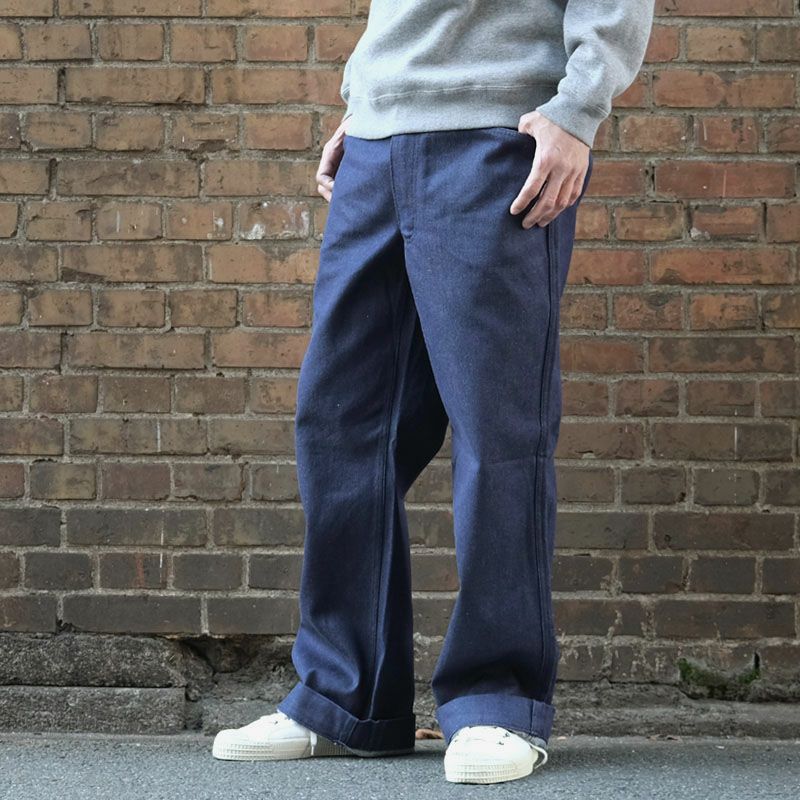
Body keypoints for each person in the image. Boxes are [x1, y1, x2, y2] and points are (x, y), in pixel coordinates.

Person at [212, 0, 655, 785]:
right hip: (378, 142)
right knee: (341, 425)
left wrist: (577, 110)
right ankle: (344, 697)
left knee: (497, 428)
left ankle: (498, 699)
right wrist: (368, 102)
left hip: (497, 135)